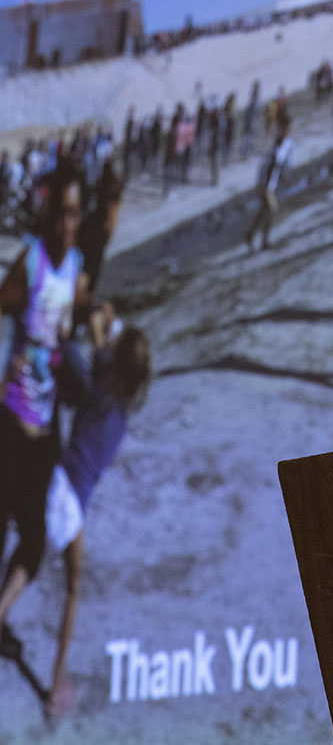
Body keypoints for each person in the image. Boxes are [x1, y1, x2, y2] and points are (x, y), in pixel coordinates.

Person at [42, 307, 151, 717]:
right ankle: (56, 683)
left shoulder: (100, 378)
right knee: (72, 590)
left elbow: (99, 338)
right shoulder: (121, 411)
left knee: (27, 562)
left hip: (55, 479)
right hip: (73, 500)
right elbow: (109, 348)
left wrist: (103, 318)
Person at [0, 163, 89, 644]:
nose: (66, 225)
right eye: (60, 214)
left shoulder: (74, 266)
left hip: (43, 426)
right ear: (48, 214)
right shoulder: (30, 261)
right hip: (10, 420)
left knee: (33, 541)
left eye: (74, 215)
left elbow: (65, 329)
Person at [245, 115, 293, 251]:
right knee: (271, 210)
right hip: (266, 185)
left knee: (264, 212)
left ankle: (251, 235)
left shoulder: (282, 145)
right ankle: (263, 240)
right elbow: (272, 166)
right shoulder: (278, 146)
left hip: (268, 184)